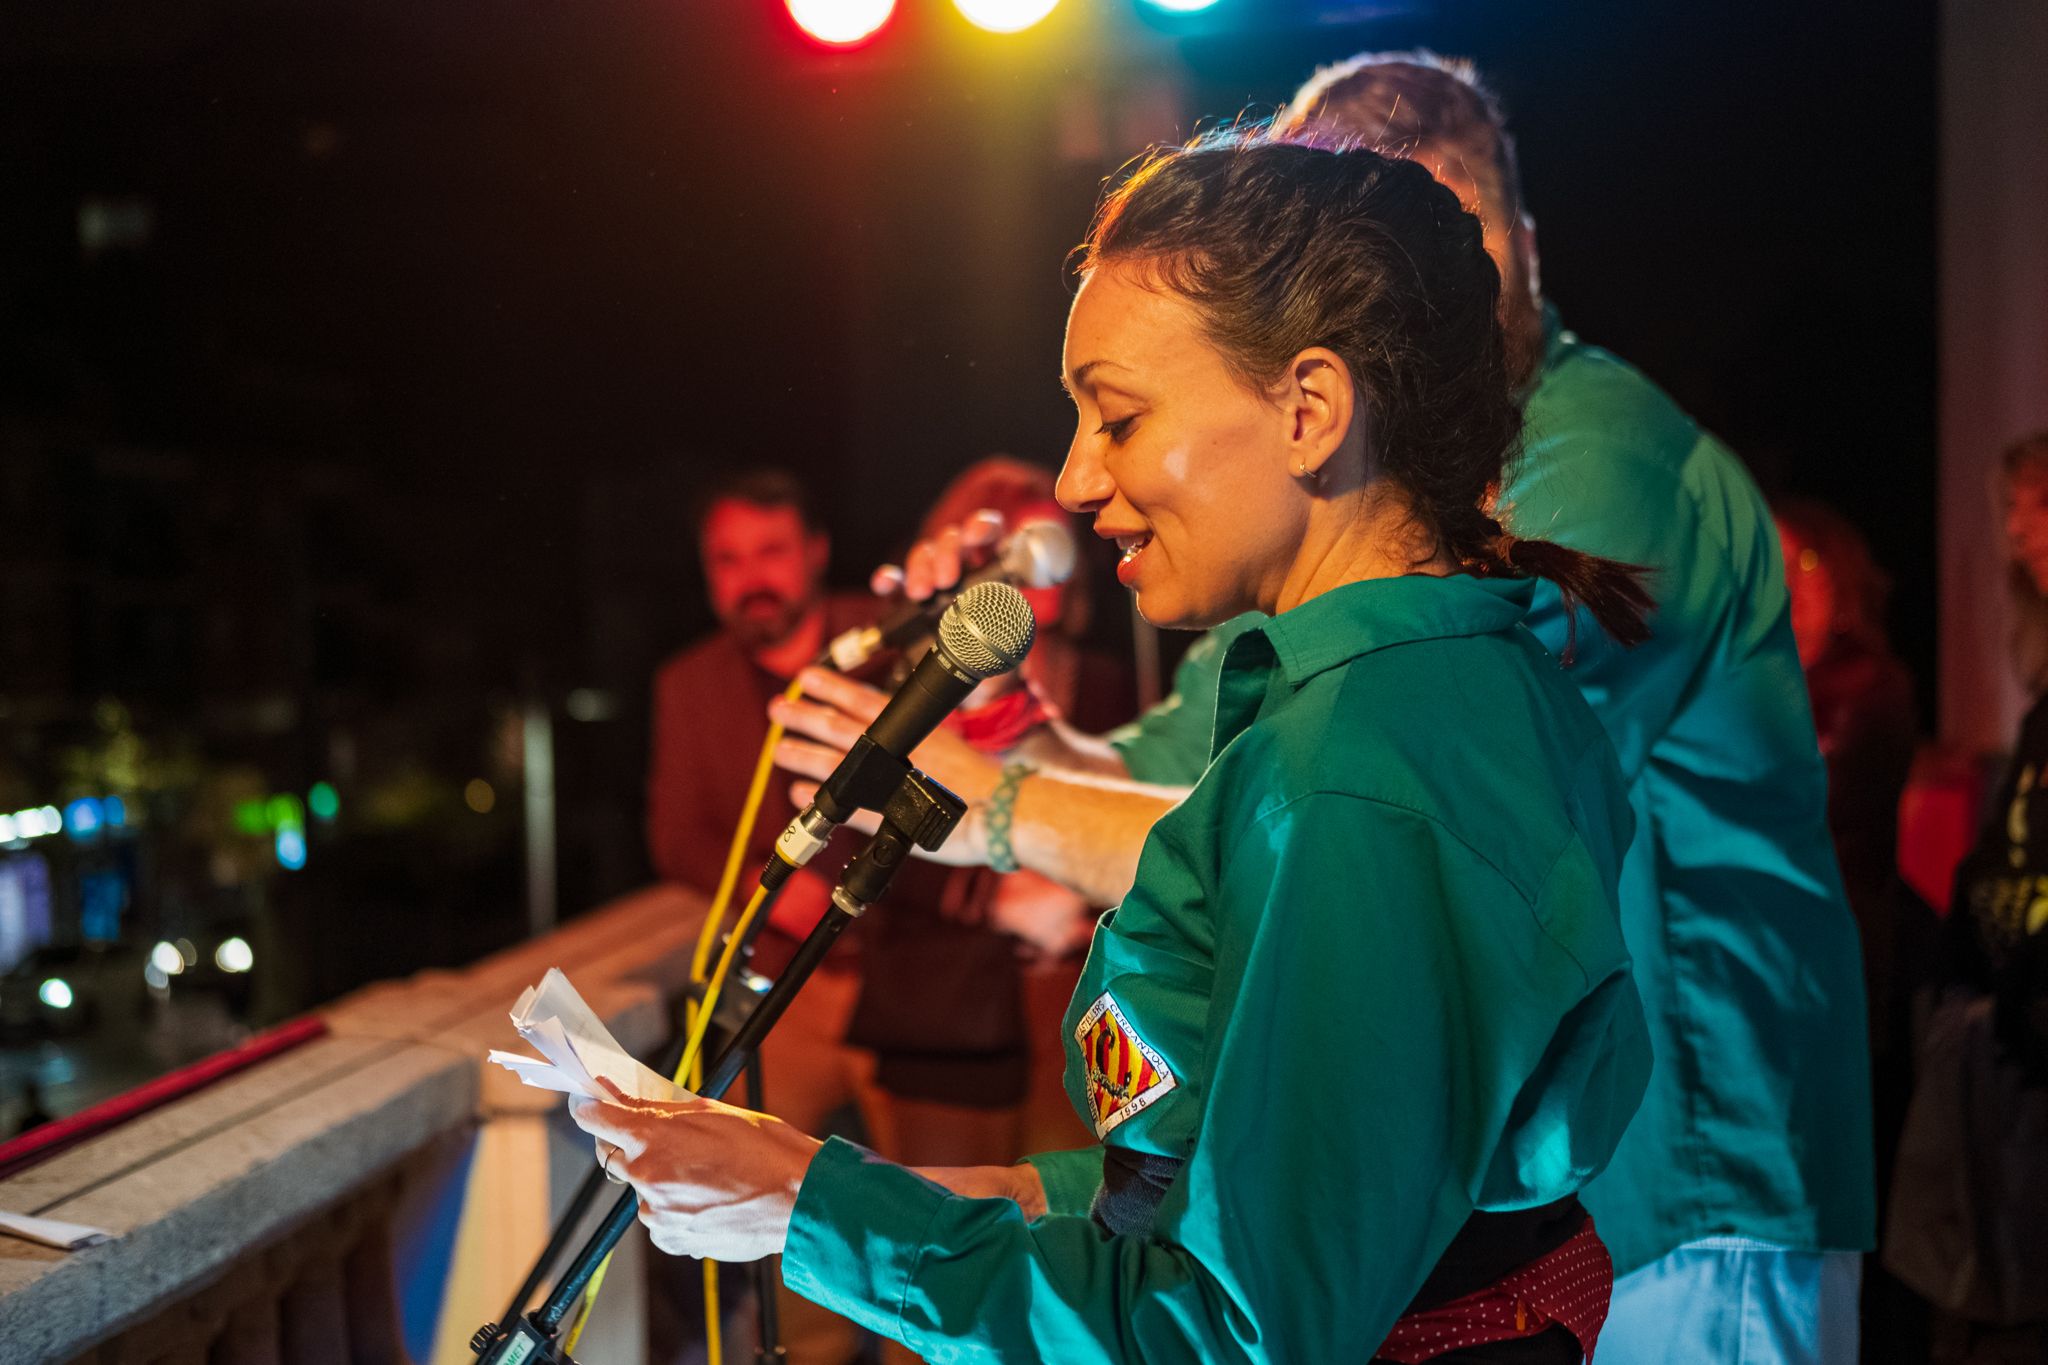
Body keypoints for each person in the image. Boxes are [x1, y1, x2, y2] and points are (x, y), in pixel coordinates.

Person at [772, 51, 1874, 1364]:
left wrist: (1007, 808)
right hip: (1472, 1222)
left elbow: (1333, 828)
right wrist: (1004, 724)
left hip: (1693, 1193)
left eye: (1383, 234)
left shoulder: (1582, 480)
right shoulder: (1342, 561)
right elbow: (1211, 791)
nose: (1363, 279)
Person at [575, 128, 1654, 1363]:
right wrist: (1002, 1194)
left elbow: (1232, 1334)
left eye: (1118, 417)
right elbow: (1305, 1176)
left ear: (1308, 409)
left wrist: (818, 1208)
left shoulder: (1358, 774)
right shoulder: (1454, 687)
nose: (1078, 480)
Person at [647, 469, 1038, 1364]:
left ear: (816, 551)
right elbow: (676, 834)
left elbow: (987, 775)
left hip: (923, 986)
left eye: (772, 550)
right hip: (795, 992)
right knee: (784, 1258)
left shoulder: (901, 637)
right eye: (728, 558)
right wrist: (774, 887)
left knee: (938, 1252)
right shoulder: (690, 683)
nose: (753, 576)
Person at [1883, 433, 2048, 1364]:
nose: (2021, 531)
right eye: (2015, 511)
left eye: (2040, 503)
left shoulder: (1871, 692)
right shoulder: (2037, 708)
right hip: (2009, 1046)